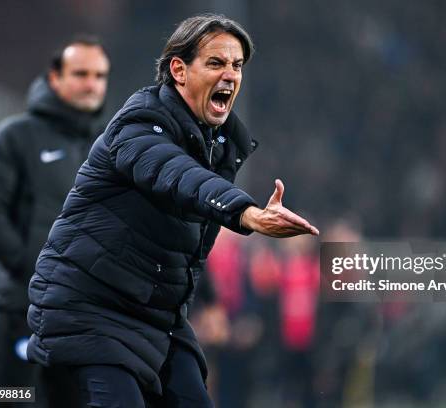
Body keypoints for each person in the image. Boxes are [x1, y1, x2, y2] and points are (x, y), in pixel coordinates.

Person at [25, 14, 318, 408]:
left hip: (158, 317)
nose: (230, 74)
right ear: (179, 70)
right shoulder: (140, 123)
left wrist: (208, 300)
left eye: (237, 65)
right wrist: (244, 212)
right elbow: (176, 175)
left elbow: (184, 239)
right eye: (216, 63)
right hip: (87, 309)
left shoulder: (220, 146)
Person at [0, 36, 110, 407]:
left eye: (99, 75)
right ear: (55, 78)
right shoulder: (17, 136)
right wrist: (32, 267)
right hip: (24, 309)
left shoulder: (111, 147)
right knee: (9, 398)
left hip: (90, 316)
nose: (91, 83)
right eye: (80, 73)